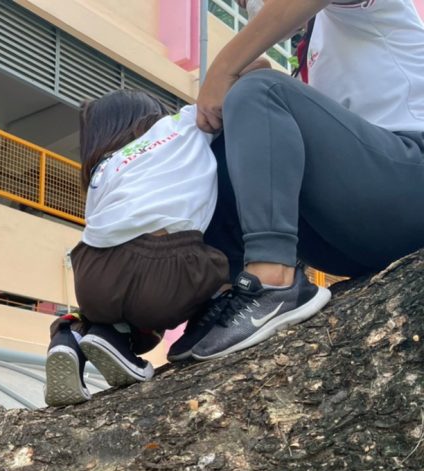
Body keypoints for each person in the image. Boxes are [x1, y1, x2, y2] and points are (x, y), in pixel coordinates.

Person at [177, 0, 424, 361]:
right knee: (232, 130)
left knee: (261, 92)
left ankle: (272, 280)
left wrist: (224, 68)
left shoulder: (357, 9)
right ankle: (227, 291)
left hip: (410, 179)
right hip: (353, 236)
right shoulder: (313, 45)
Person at [44, 92, 235, 406]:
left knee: (109, 310)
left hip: (91, 274)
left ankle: (72, 337)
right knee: (215, 262)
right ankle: (124, 342)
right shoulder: (182, 126)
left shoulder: (102, 169)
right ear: (150, 117)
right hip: (162, 269)